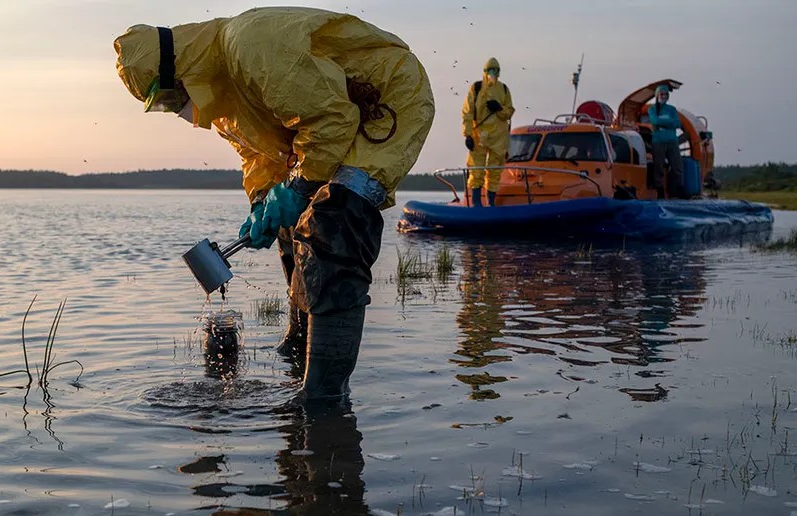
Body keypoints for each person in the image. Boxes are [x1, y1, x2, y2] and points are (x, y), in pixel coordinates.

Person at [115, 8, 435, 404]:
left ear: (178, 70)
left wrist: (297, 187)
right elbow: (258, 156)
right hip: (332, 124)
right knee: (292, 225)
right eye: (160, 106)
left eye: (166, 99)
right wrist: (263, 203)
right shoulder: (223, 101)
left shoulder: (249, 45)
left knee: (334, 220)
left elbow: (332, 119)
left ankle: (324, 395)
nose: (174, 110)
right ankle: (300, 343)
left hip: (387, 98)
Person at [462, 57, 514, 207]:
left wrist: (499, 108)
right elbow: (467, 112)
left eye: (496, 70)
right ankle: (477, 203)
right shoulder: (476, 88)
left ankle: (491, 203)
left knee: (495, 171)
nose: (493, 73)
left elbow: (509, 112)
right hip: (479, 137)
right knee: (476, 169)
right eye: (490, 70)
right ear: (485, 72)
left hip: (498, 137)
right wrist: (467, 134)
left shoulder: (503, 90)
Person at [648, 84, 682, 199]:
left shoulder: (672, 109)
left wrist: (661, 122)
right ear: (657, 95)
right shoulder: (652, 109)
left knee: (676, 167)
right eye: (661, 94)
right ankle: (660, 190)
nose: (664, 96)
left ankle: (675, 191)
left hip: (672, 141)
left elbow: (677, 123)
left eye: (666, 94)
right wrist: (668, 122)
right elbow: (654, 120)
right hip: (658, 141)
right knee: (658, 166)